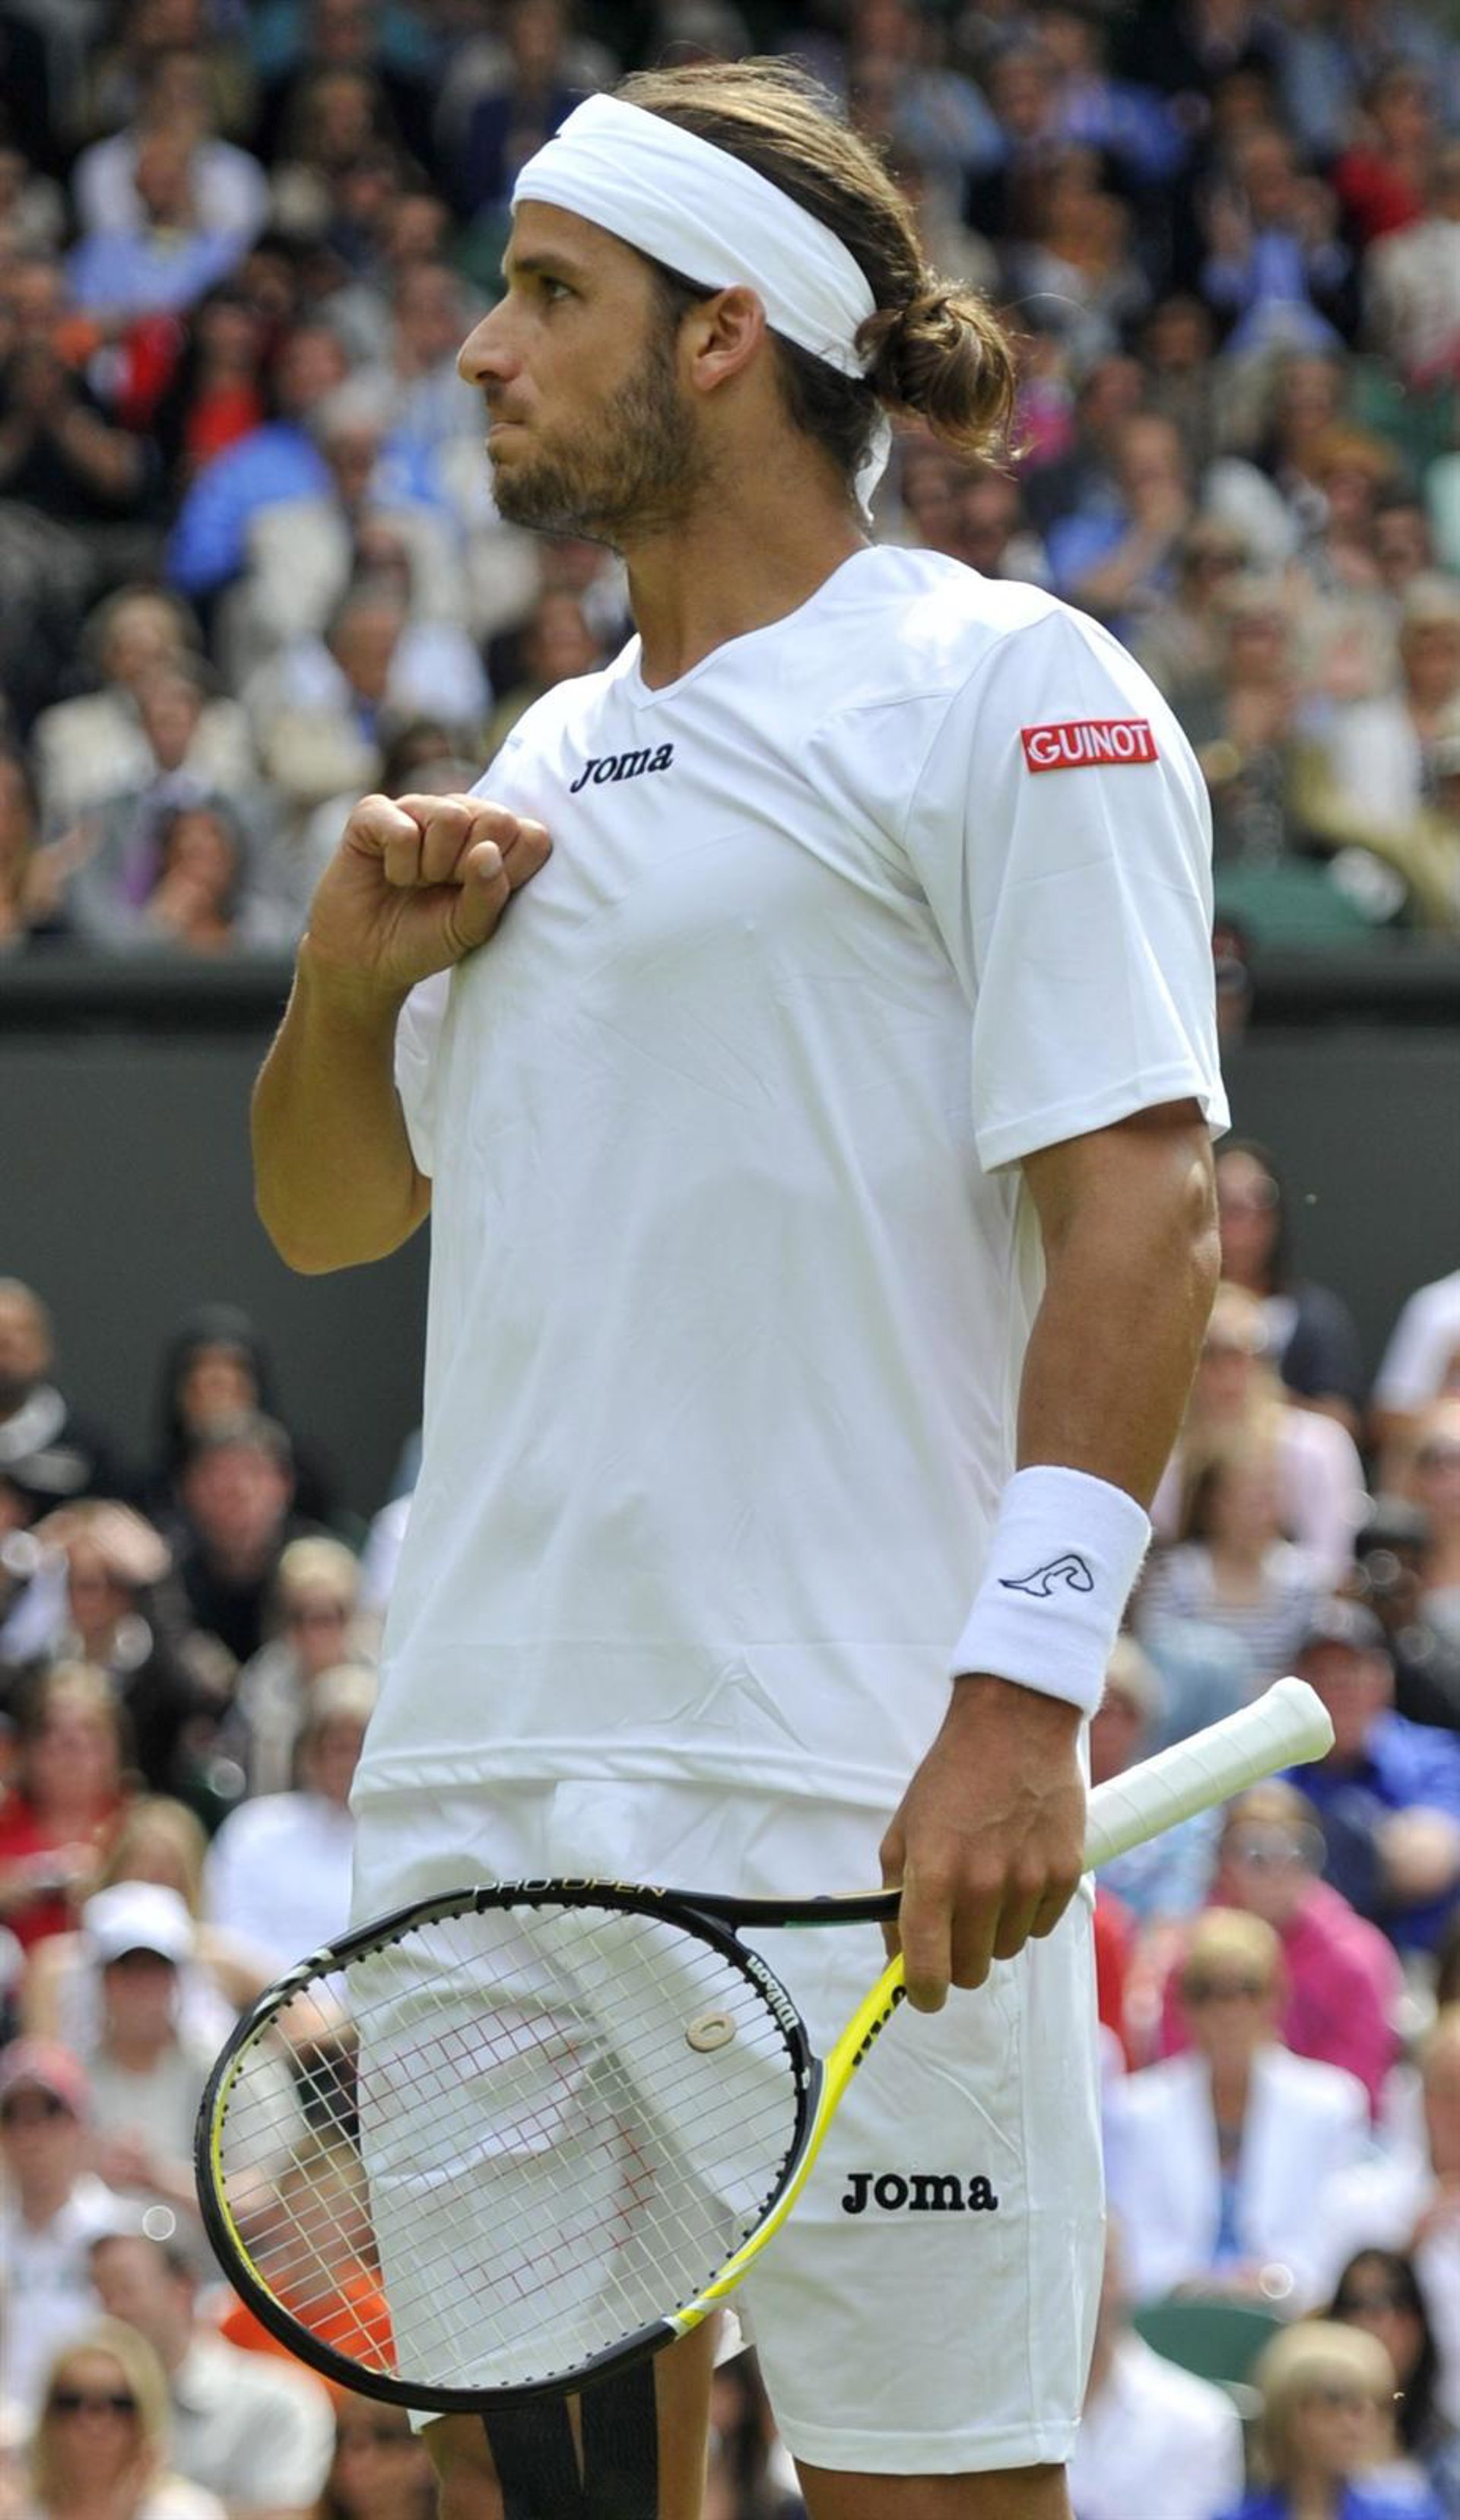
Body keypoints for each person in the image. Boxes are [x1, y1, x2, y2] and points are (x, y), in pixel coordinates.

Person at [249, 55, 1228, 2520]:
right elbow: (333, 1212)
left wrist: (1024, 1690)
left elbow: (1151, 1212)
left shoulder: (1016, 689)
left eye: (548, 292)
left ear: (721, 335)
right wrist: (345, 993)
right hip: (483, 1814)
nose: (484, 346)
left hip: (849, 1810)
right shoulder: (535, 760)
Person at [1104, 1907, 1370, 2309]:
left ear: (1277, 1998)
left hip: (1294, 2314)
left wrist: (1276, 2281)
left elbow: (1337, 2234)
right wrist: (1196, 2288)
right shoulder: (1135, 2110)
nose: (1229, 2010)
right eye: (1207, 1992)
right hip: (1169, 2319)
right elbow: (1133, 2241)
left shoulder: (1331, 2104)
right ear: (1185, 2006)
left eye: (1248, 1990)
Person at [89, 2226, 334, 2520]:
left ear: (184, 2287)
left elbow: (289, 2516)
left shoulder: (282, 2399)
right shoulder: (77, 2405)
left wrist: (168, 2506)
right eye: (101, 2293)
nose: (112, 2309)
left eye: (126, 2289)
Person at [1285, 1599, 1460, 1960]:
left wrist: (1316, 1849)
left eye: (1351, 1672)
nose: (1337, 1689)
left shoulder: (1434, 1755)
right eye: (1321, 1675)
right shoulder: (1275, 1772)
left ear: (1383, 1679)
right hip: (1305, 1967)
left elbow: (1427, 1863)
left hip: (1420, 1962)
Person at [1067, 2220, 1246, 2520]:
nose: (1081, 2289)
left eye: (1100, 2267)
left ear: (1126, 2278)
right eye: (1066, 2271)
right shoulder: (1005, 2413)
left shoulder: (1202, 2418)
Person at [0, 2040, 131, 2423]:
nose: (31, 2134)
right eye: (12, 2116)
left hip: (96, 2430)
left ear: (81, 2126)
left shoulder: (123, 2231)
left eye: (50, 2112)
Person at [1220, 2318, 1446, 2520]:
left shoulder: (1411, 2515)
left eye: (1375, 2403)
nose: (1359, 2420)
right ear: (1287, 2409)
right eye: (1336, 2400)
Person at [23, 2321, 225, 2520]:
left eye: (120, 2404)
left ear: (146, 2412)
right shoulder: (19, 2509)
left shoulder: (188, 2512)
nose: (94, 2423)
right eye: (72, 2402)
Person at [1329, 2249, 1460, 2517]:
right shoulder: (1301, 2430)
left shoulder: (1447, 2451)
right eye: (1356, 2304)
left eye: (1398, 2301)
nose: (1380, 2320)